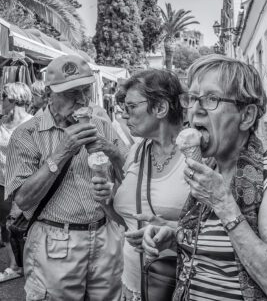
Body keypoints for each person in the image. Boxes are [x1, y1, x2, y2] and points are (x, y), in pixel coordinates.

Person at [141, 55, 267, 300]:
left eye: (211, 98)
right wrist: (174, 237)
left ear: (246, 116)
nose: (195, 109)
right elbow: (219, 249)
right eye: (193, 98)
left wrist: (223, 203)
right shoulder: (209, 166)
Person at [5, 55, 128, 300]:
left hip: (106, 237)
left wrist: (113, 152)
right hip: (55, 242)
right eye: (73, 93)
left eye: (85, 91)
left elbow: (130, 175)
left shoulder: (102, 126)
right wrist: (62, 152)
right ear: (50, 92)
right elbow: (23, 200)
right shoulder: (26, 134)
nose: (82, 100)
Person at [91, 69, 190, 301]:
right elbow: (130, 222)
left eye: (131, 107)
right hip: (136, 282)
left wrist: (170, 230)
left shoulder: (196, 154)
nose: (124, 116)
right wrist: (106, 203)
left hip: (179, 283)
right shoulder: (137, 151)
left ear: (160, 108)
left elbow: (213, 229)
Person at [0, 82, 33, 282]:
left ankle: (24, 265)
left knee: (24, 223)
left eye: (3, 98)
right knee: (7, 223)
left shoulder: (33, 123)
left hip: (24, 183)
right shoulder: (1, 124)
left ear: (12, 100)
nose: (1, 102)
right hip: (2, 182)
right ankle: (15, 265)